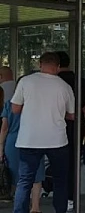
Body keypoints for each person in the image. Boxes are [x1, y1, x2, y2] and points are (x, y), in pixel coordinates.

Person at [11, 52, 75, 213]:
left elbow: (15, 109)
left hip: (29, 138)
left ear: (40, 64)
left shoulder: (26, 81)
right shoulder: (64, 86)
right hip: (57, 139)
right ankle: (60, 210)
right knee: (60, 180)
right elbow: (71, 115)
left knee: (25, 180)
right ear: (58, 67)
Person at [56, 51, 85, 211]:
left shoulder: (54, 83)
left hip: (54, 127)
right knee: (73, 161)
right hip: (77, 127)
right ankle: (70, 196)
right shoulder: (81, 82)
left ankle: (53, 193)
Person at [0, 76, 44, 212]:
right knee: (36, 176)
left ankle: (19, 205)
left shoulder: (9, 104)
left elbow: (4, 128)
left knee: (16, 177)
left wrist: (0, 147)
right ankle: (35, 207)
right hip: (34, 141)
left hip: (13, 143)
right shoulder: (38, 105)